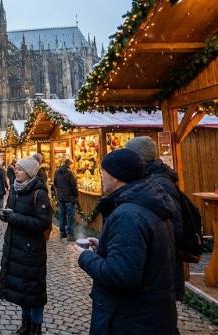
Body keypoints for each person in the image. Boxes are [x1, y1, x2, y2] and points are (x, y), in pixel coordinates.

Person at [75, 149, 177, 334]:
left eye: (102, 171)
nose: (101, 176)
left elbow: (120, 275)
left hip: (131, 318)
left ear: (115, 176)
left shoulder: (128, 215)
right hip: (151, 313)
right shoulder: (149, 203)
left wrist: (85, 257)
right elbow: (139, 253)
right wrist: (105, 247)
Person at [125, 136, 185, 303]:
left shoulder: (160, 183)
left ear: (137, 157)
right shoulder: (149, 178)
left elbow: (174, 227)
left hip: (160, 270)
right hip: (152, 269)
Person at [0, 155, 53, 335]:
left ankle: (35, 328)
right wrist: (5, 214)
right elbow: (11, 209)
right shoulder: (15, 189)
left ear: (29, 173)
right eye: (16, 168)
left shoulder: (40, 193)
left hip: (32, 250)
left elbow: (43, 223)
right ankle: (25, 325)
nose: (16, 171)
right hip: (15, 245)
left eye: (20, 169)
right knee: (23, 289)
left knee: (34, 292)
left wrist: (15, 218)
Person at [53, 159, 78, 239]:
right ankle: (70, 235)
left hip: (61, 197)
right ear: (69, 164)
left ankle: (62, 233)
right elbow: (73, 186)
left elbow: (55, 184)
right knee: (70, 216)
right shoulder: (69, 173)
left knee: (62, 215)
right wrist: (75, 195)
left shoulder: (57, 172)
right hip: (69, 198)